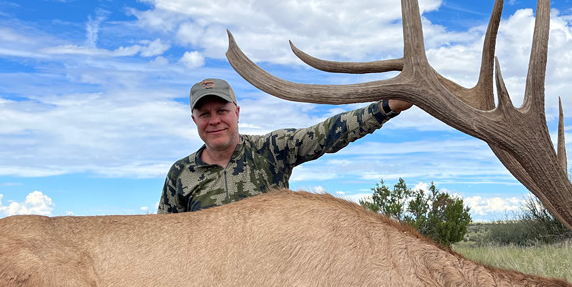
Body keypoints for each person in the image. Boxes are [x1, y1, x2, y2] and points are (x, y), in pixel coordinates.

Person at [158, 77, 412, 214]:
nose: (214, 121)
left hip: (273, 280)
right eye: (205, 114)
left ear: (237, 112)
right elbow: (167, 235)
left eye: (222, 111)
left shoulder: (270, 149)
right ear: (194, 120)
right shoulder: (181, 173)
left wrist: (385, 107)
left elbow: (325, 134)